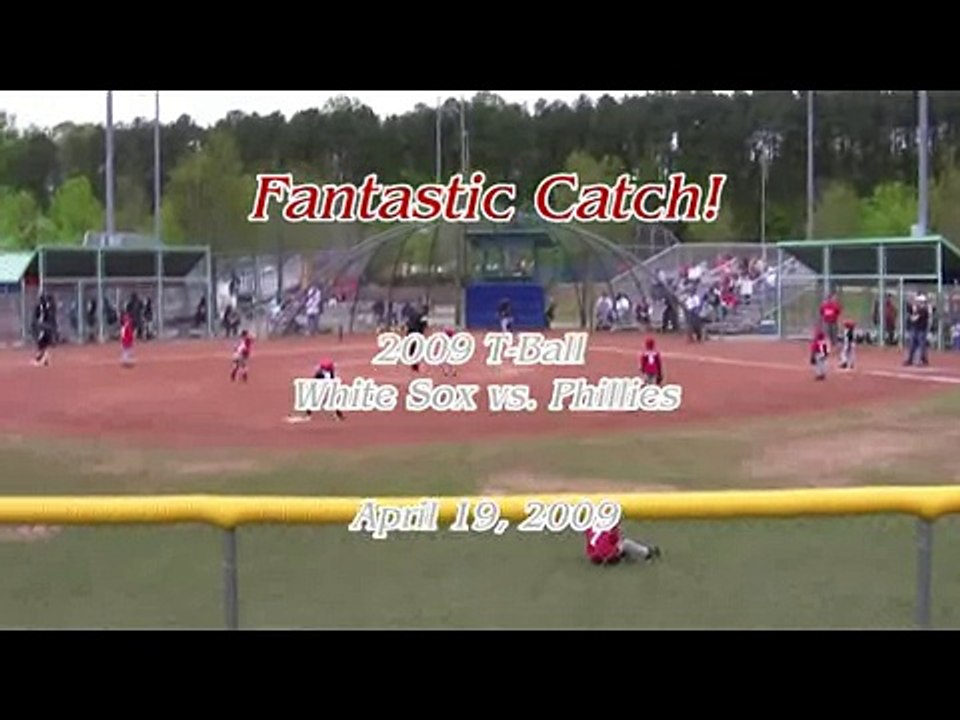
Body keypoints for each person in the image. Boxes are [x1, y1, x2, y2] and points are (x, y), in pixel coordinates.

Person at [585, 524, 660, 565]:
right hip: (611, 557)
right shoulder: (610, 526)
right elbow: (615, 539)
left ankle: (625, 557)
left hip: (594, 558)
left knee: (617, 545)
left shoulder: (589, 528)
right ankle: (647, 552)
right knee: (625, 543)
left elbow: (590, 544)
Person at [904, 294, 931, 367]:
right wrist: (911, 303)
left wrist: (913, 315)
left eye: (920, 301)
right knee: (912, 345)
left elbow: (915, 318)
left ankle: (920, 360)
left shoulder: (924, 310)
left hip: (921, 330)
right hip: (915, 329)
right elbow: (909, 308)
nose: (918, 303)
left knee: (921, 346)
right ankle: (911, 359)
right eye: (918, 301)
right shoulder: (917, 308)